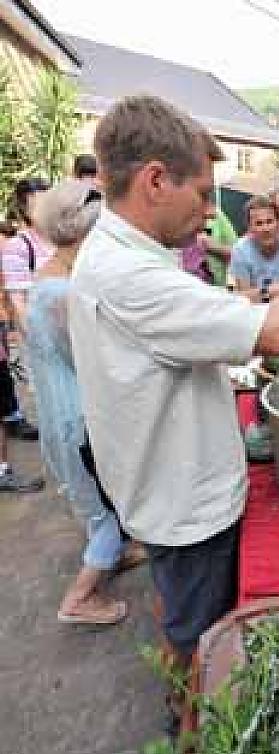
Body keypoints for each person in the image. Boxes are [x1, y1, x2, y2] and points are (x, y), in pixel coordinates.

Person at [68, 95, 279, 662]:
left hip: (165, 484)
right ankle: (194, 716)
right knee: (201, 637)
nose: (208, 211)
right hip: (185, 505)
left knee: (185, 610)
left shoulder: (126, 255)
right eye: (201, 193)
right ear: (154, 181)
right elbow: (274, 334)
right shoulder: (131, 276)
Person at [26, 180, 144, 623]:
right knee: (105, 513)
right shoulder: (64, 294)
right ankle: (79, 598)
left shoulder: (51, 274)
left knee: (97, 500)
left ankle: (115, 553)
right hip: (77, 419)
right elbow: (89, 360)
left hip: (62, 413)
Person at [0, 178, 52, 440]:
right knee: (56, 409)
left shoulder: (64, 238)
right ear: (23, 207)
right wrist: (38, 341)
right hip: (44, 342)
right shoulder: (18, 247)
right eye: (37, 202)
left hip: (77, 334)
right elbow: (18, 303)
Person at [230, 195, 279, 301]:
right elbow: (244, 298)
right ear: (250, 228)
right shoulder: (240, 251)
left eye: (269, 221)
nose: (266, 229)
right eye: (259, 223)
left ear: (278, 223)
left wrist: (259, 293)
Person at [197, 204, 237, 286]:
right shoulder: (174, 216)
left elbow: (237, 254)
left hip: (215, 288)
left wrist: (212, 246)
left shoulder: (216, 215)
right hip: (183, 288)